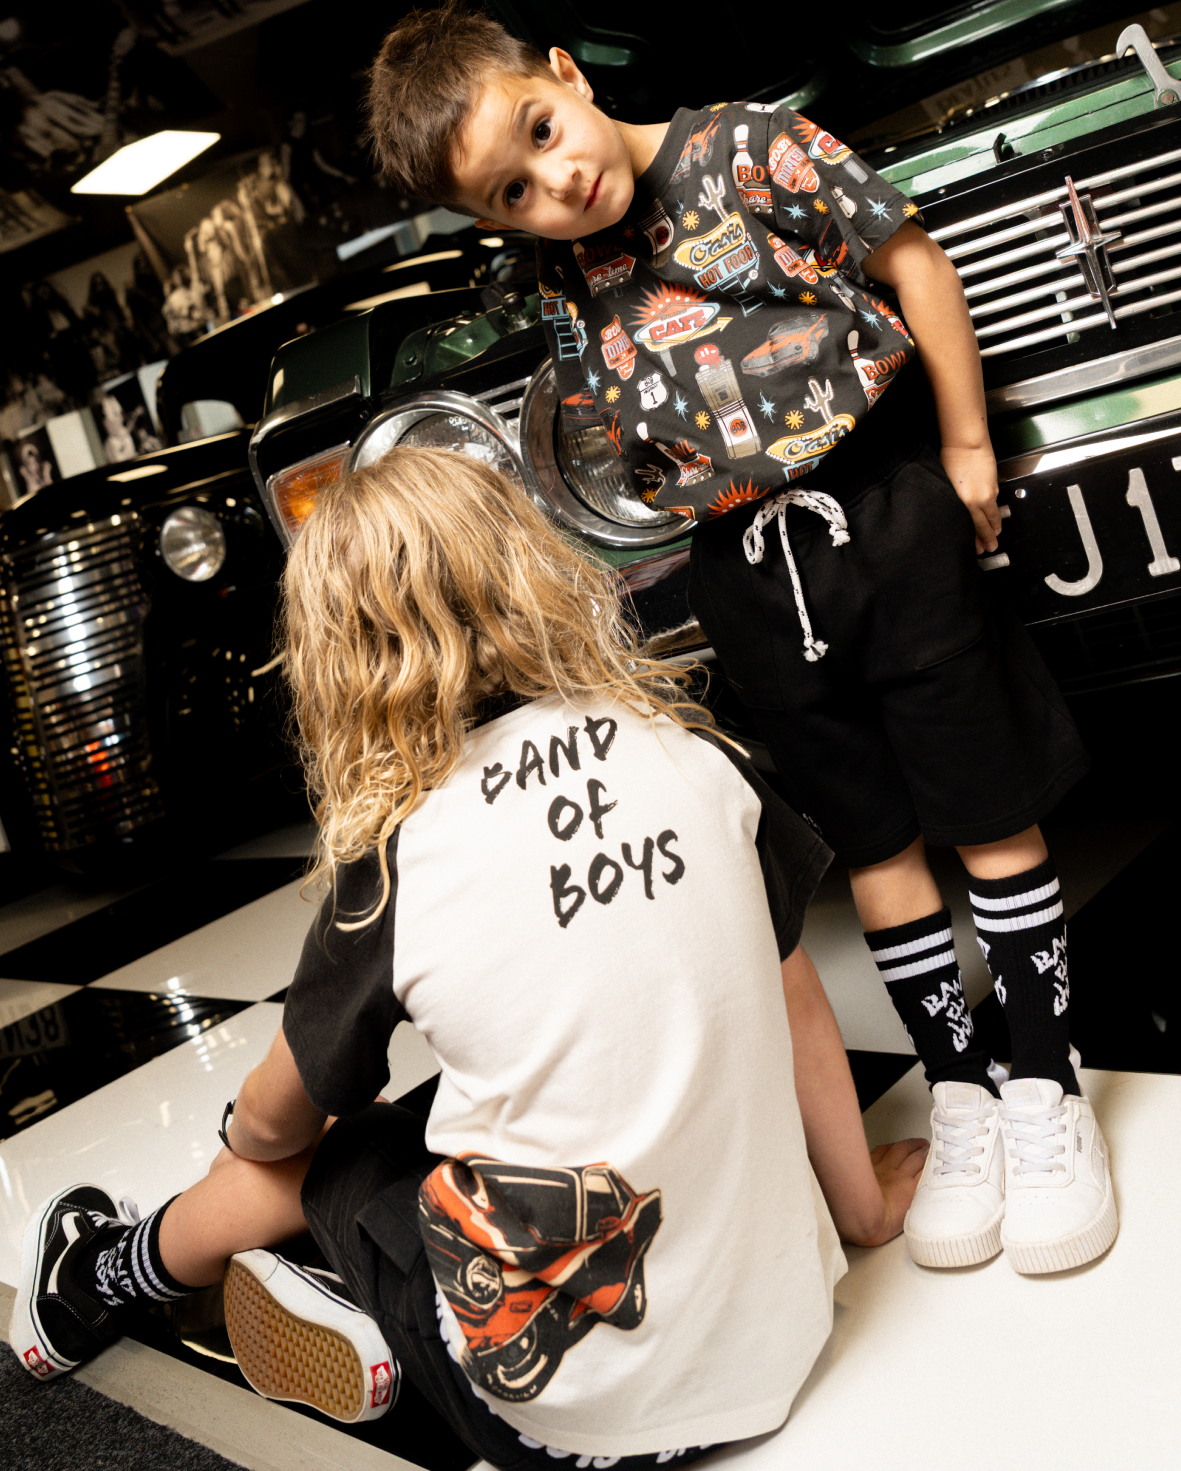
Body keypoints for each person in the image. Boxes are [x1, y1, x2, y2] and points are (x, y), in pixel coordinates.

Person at [363, 5, 1117, 1275]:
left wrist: (966, 449)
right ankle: (964, 1090)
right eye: (514, 192)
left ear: (562, 74)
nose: (557, 182)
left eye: (542, 133)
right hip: (747, 566)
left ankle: (1046, 1085)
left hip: (881, 508)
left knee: (985, 806)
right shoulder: (558, 282)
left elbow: (915, 266)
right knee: (872, 840)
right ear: (495, 223)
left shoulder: (749, 147)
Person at [11, 446, 928, 1467]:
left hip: (559, 1421)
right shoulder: (693, 748)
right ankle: (336, 1292)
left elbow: (280, 1119)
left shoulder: (407, 850)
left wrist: (244, 1130)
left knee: (337, 1146)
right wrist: (862, 1209)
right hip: (779, 1350)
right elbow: (797, 1010)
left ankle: (106, 1279)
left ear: (339, 652)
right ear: (532, 562)